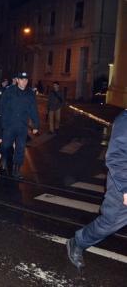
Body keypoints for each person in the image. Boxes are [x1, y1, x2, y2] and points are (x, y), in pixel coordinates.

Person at [67, 109, 127, 270]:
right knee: (109, 223)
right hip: (122, 185)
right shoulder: (125, 120)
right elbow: (116, 158)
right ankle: (78, 242)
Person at [0, 72, 39, 179]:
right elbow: (2, 107)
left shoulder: (30, 93)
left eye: (26, 80)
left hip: (22, 125)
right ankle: (4, 158)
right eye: (22, 79)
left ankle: (16, 170)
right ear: (17, 80)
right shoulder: (9, 91)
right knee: (6, 146)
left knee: (20, 148)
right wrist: (3, 123)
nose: (24, 82)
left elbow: (33, 109)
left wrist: (36, 125)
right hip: (9, 125)